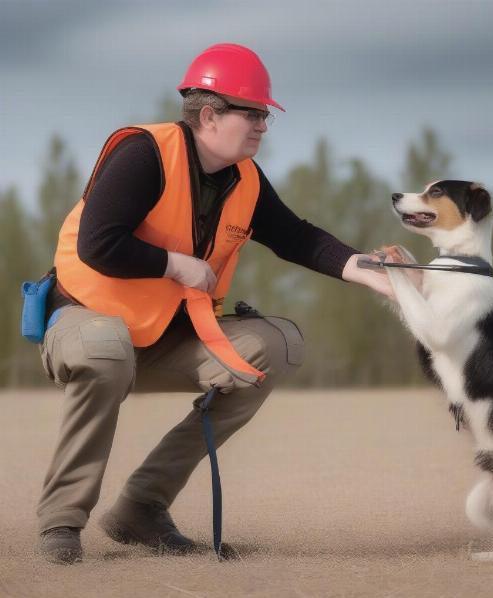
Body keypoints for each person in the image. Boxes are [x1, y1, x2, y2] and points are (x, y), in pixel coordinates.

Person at [37, 43, 394, 564]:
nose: (264, 126)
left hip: (164, 337)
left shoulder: (244, 177)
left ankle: (141, 507)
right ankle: (61, 522)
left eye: (265, 115)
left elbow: (296, 237)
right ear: (209, 114)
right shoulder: (143, 154)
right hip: (84, 325)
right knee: (107, 348)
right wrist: (177, 265)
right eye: (254, 113)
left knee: (276, 347)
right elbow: (98, 243)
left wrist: (366, 269)